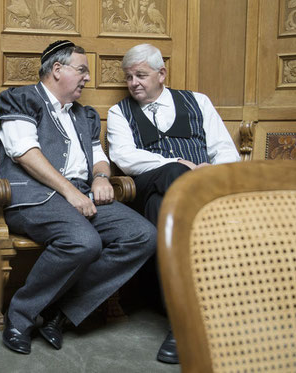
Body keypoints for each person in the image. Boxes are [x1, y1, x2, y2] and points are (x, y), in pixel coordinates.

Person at [0, 40, 157, 355]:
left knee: (142, 235)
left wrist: (99, 177)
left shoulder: (85, 115)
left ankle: (62, 312)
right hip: (32, 198)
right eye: (82, 70)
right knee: (83, 241)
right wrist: (70, 191)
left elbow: (97, 156)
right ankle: (20, 316)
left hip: (81, 194)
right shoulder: (20, 99)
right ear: (57, 69)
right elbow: (24, 154)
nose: (87, 78)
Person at [107, 43, 241, 364]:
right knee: (168, 176)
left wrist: (210, 175)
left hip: (196, 196)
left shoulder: (198, 102)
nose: (134, 83)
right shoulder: (118, 112)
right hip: (145, 188)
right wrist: (181, 164)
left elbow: (226, 151)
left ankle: (181, 325)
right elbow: (125, 157)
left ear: (162, 73)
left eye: (141, 75)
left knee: (162, 211)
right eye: (128, 77)